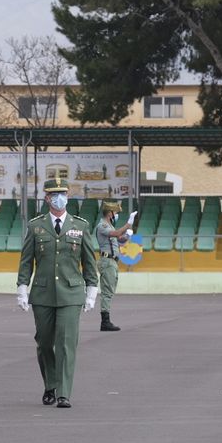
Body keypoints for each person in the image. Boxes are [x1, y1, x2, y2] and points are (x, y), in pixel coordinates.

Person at [17, 172, 100, 408]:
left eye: (62, 194)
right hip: (42, 293)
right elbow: (26, 260)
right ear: (46, 198)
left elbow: (89, 262)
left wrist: (92, 291)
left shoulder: (80, 226)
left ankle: (63, 392)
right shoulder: (36, 226)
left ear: (68, 197)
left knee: (66, 343)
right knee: (44, 343)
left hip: (71, 294)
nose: (58, 198)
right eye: (54, 195)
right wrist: (22, 288)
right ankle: (50, 384)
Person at [94, 200, 136, 332]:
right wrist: (128, 224)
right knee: (107, 292)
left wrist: (127, 236)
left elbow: (119, 240)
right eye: (115, 213)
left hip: (112, 262)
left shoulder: (110, 226)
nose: (116, 215)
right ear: (110, 213)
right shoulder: (102, 226)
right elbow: (116, 234)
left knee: (110, 290)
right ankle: (105, 322)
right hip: (107, 261)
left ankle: (106, 320)